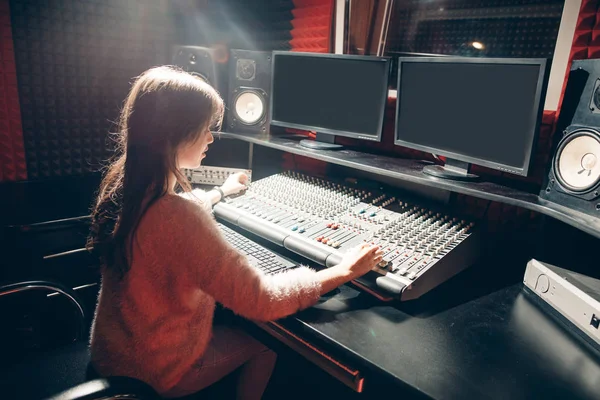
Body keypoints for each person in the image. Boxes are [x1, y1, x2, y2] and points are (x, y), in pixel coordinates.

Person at [86, 65, 383, 400]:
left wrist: (220, 192)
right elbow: (262, 300)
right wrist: (343, 271)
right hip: (155, 373)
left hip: (111, 355)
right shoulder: (179, 218)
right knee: (264, 344)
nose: (211, 138)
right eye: (205, 129)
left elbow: (172, 217)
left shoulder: (125, 186)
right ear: (174, 135)